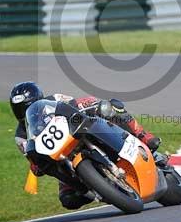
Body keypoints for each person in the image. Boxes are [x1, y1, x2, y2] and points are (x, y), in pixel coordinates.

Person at [9, 81, 161, 210]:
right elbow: (32, 157)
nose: (24, 111)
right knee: (68, 199)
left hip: (80, 131)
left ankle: (142, 135)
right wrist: (36, 165)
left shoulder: (53, 100)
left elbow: (77, 103)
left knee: (111, 106)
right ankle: (93, 187)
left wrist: (91, 105)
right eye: (19, 109)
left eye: (28, 106)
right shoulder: (20, 136)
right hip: (63, 158)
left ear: (39, 99)